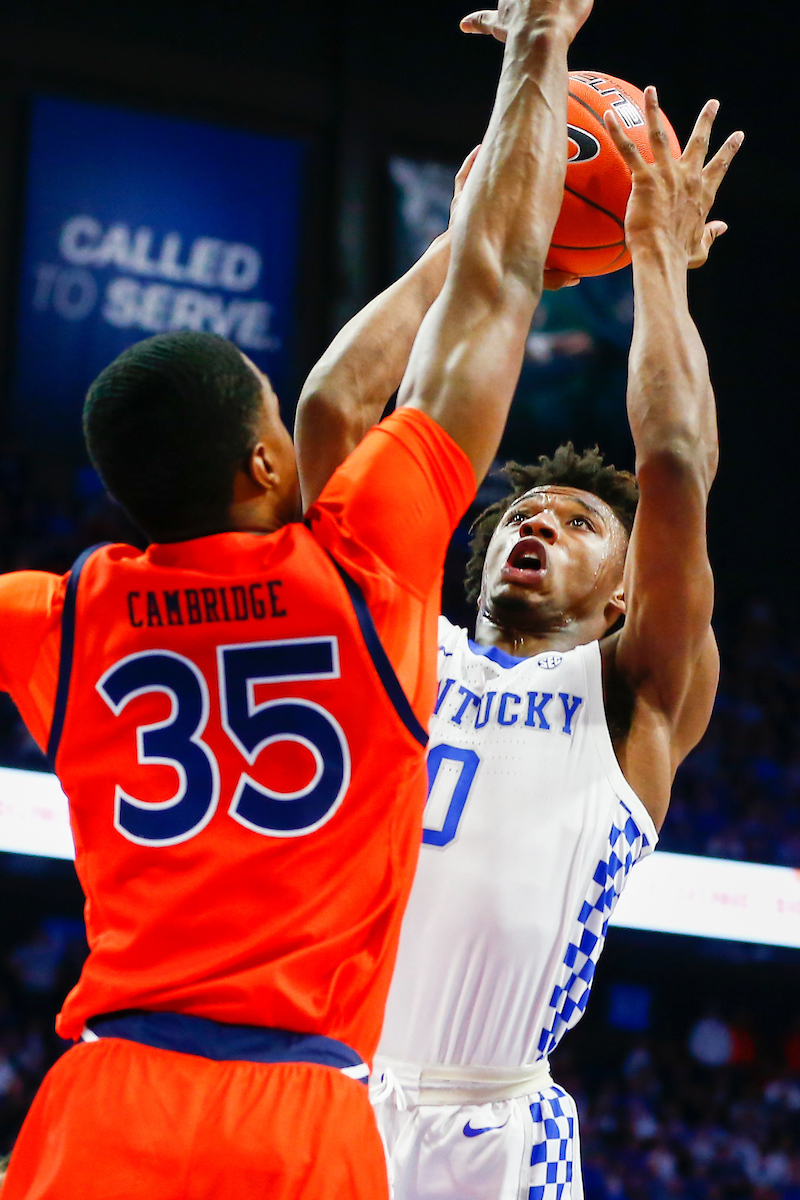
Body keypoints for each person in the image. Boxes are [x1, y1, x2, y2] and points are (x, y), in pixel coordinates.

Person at [0, 0, 593, 1195]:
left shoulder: (52, 623)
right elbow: (496, 291)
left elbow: (341, 391)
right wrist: (540, 43)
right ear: (265, 463)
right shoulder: (361, 569)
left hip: (108, 1097)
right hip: (300, 1108)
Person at [295, 63, 744, 1200]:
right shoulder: (401, 645)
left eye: (578, 523)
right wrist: (465, 242)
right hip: (326, 1095)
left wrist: (654, 257)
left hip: (492, 1132)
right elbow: (334, 411)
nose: (534, 520)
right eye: (519, 513)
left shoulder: (635, 700)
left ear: (623, 597)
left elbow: (674, 460)